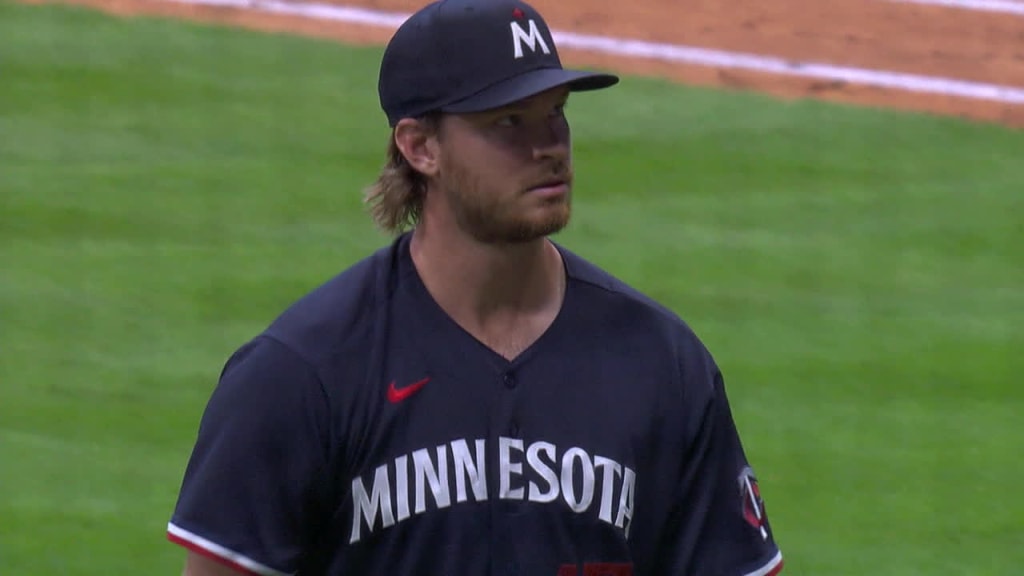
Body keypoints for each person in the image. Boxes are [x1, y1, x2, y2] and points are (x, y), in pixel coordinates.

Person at [166, 0, 784, 574]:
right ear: (420, 147)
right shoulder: (304, 373)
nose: (548, 148)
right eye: (508, 121)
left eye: (556, 114)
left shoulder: (663, 364)